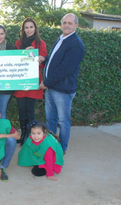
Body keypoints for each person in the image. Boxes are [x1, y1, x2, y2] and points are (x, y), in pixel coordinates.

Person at [38, 13, 85, 153]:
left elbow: (65, 69)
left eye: (70, 23)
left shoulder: (75, 44)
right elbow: (56, 61)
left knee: (63, 122)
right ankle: (51, 146)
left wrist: (46, 83)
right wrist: (44, 59)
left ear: (76, 25)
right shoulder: (61, 39)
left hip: (62, 90)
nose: (66, 25)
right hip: (53, 88)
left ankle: (62, 149)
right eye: (64, 22)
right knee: (50, 119)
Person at [14, 18, 47, 145]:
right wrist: (23, 53)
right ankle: (23, 135)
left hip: (33, 81)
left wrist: (37, 57)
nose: (28, 30)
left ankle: (30, 137)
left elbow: (43, 63)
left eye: (31, 27)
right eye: (26, 27)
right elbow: (15, 60)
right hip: (20, 82)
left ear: (35, 28)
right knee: (21, 111)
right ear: (23, 30)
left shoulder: (41, 43)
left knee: (30, 112)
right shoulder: (18, 43)